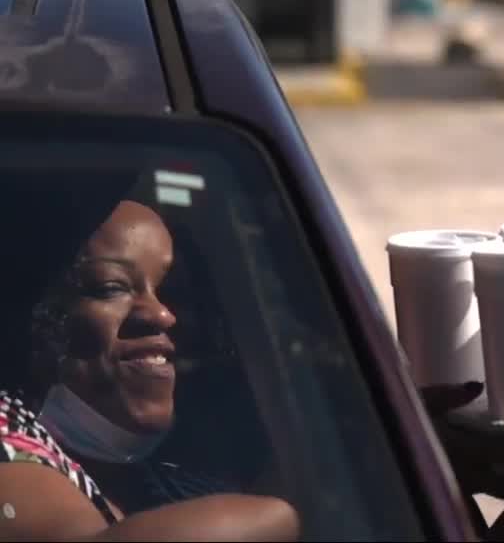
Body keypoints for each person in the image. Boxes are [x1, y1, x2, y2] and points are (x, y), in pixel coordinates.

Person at [0, 186, 299, 541]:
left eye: (175, 292)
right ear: (33, 319)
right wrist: (297, 513)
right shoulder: (8, 443)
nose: (161, 313)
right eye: (111, 287)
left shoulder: (178, 478)